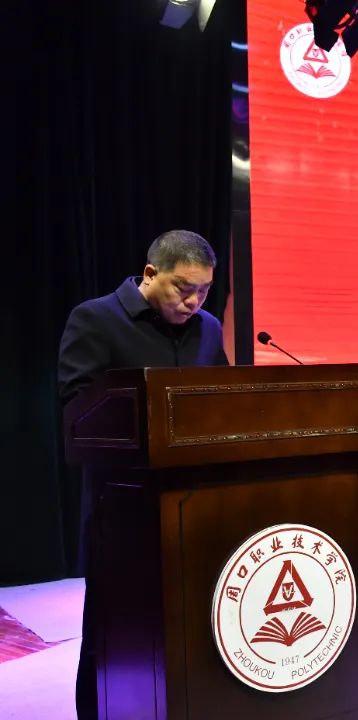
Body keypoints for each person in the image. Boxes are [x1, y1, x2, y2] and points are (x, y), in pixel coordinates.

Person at [57, 229, 229, 719]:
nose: (194, 302)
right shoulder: (96, 319)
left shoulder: (209, 328)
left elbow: (223, 402)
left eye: (204, 291)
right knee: (115, 629)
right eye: (183, 288)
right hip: (123, 508)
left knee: (196, 624)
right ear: (151, 274)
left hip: (197, 506)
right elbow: (77, 410)